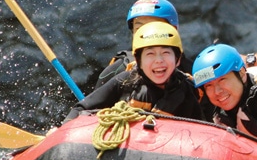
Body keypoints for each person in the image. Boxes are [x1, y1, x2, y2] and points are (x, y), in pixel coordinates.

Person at [64, 21, 204, 122]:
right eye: (150, 54)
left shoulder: (187, 91)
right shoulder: (124, 80)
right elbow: (81, 108)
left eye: (166, 53)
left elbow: (204, 130)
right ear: (138, 60)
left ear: (178, 60)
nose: (159, 60)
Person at [95, 0, 188, 88]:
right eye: (139, 29)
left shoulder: (193, 70)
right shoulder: (116, 71)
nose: (146, 33)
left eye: (154, 27)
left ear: (174, 30)